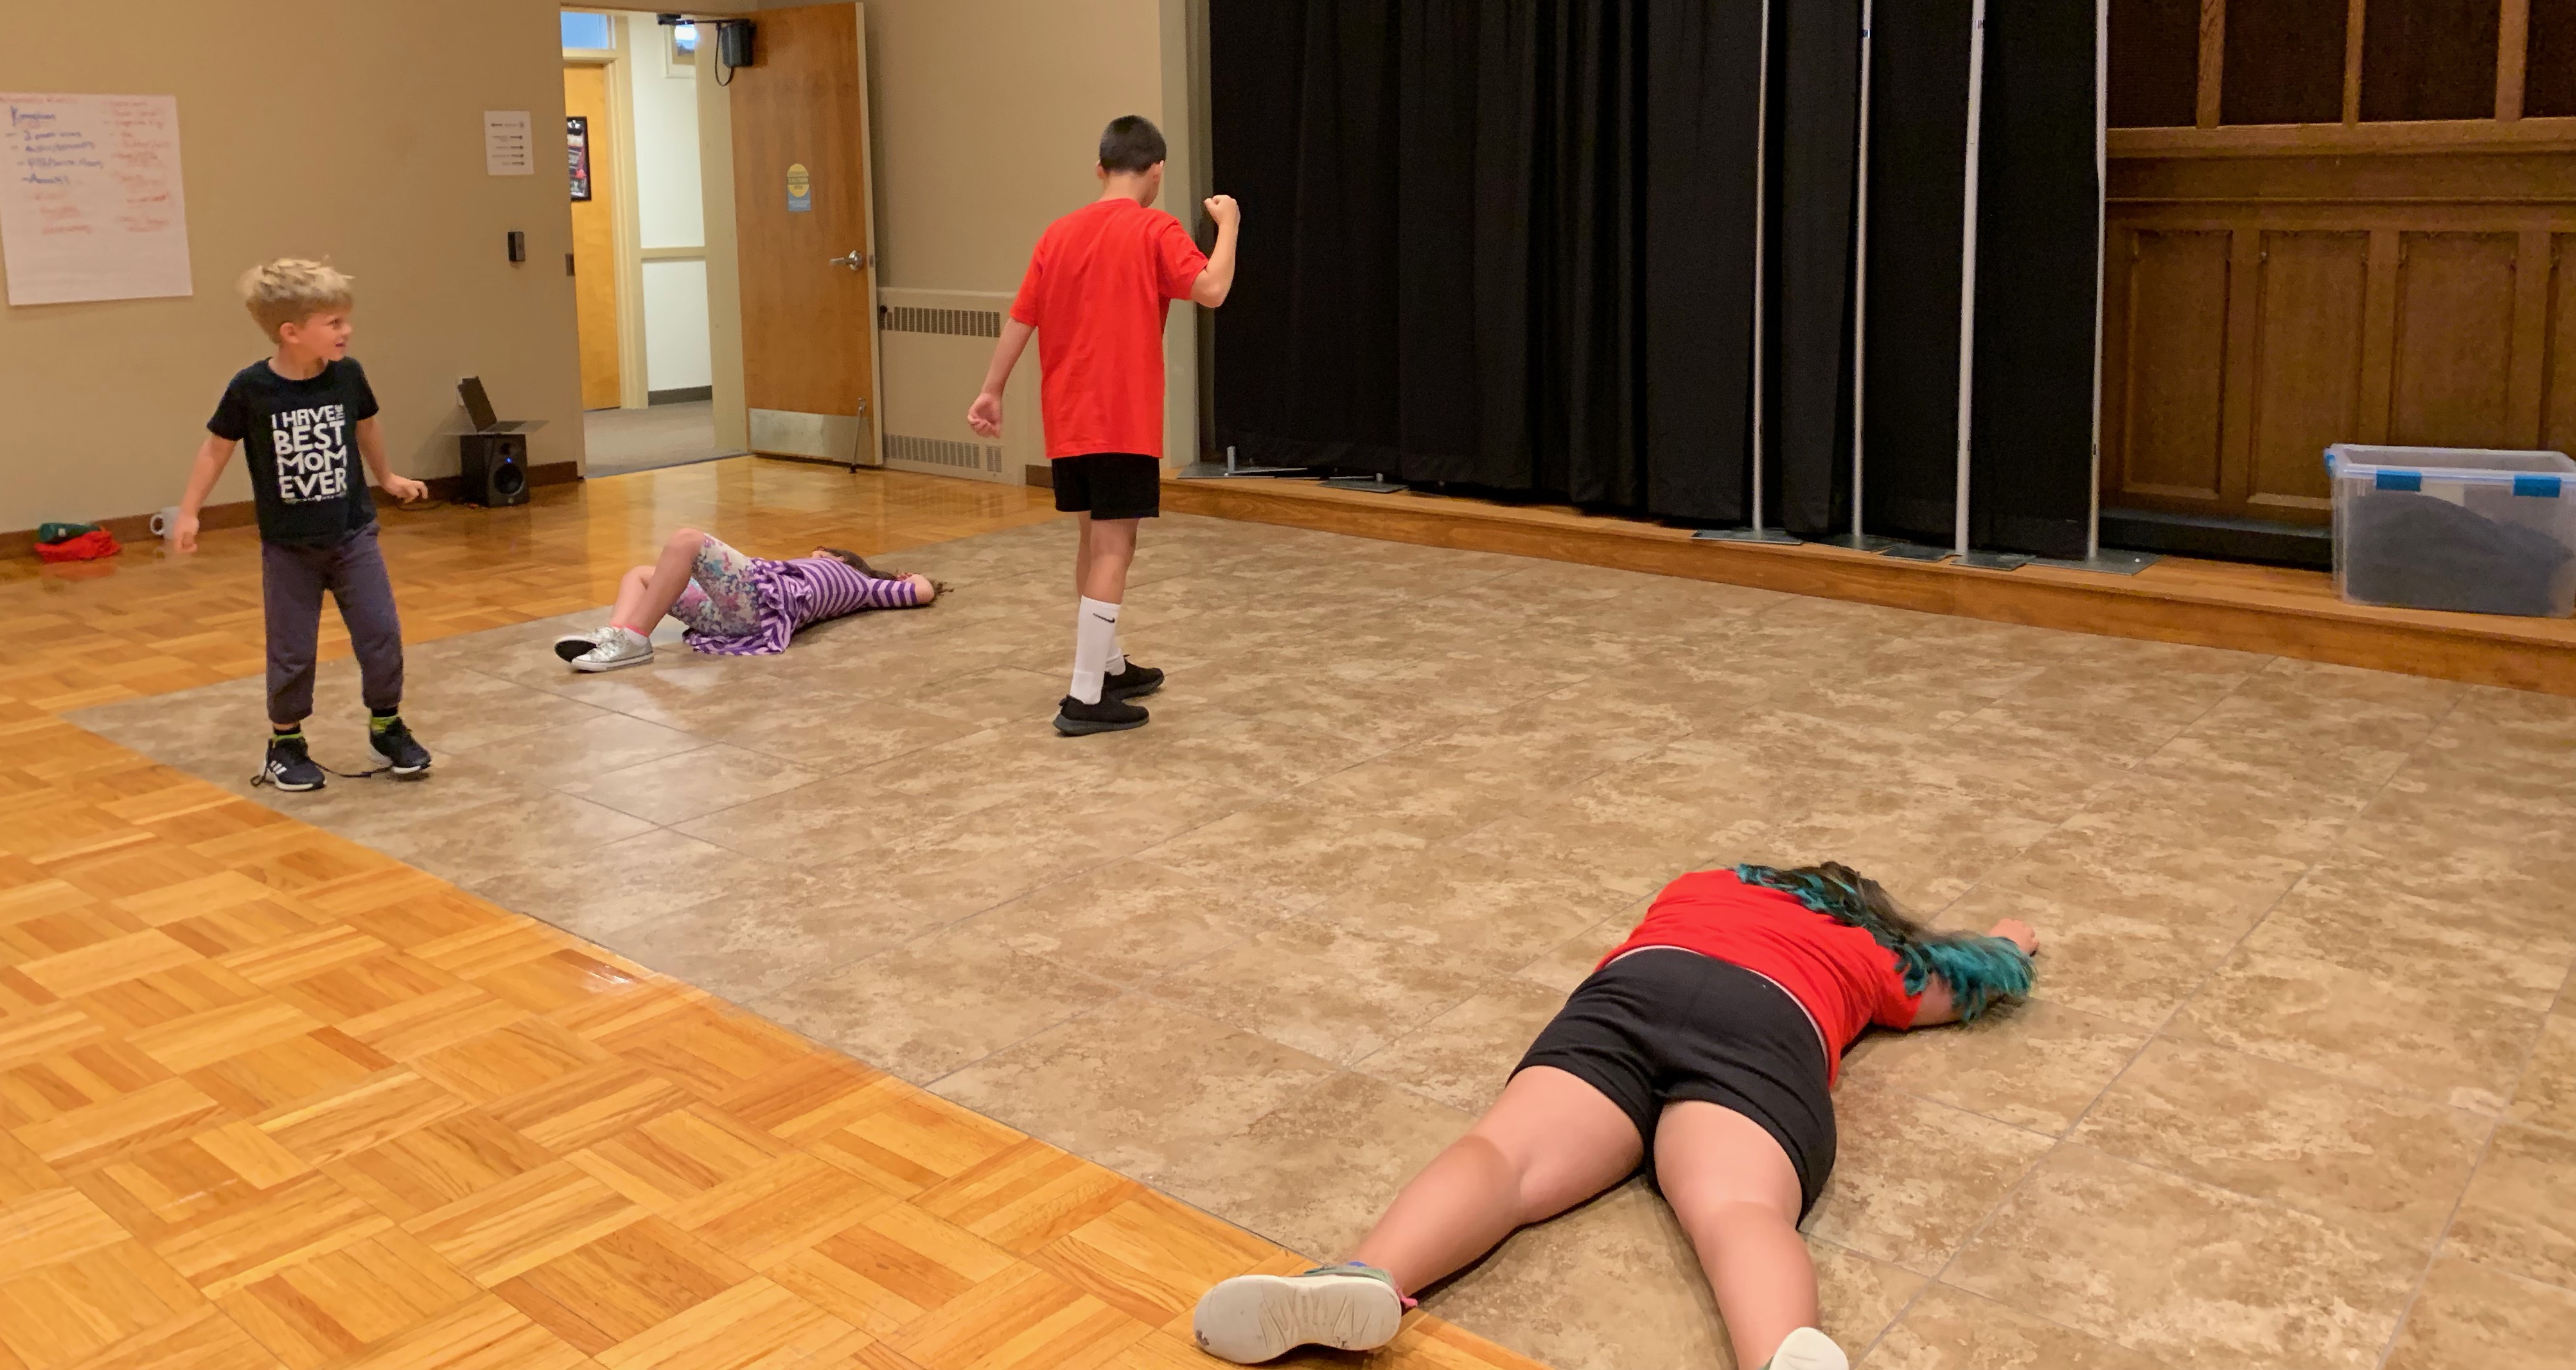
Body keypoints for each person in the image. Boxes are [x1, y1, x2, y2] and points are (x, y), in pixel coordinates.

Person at [1190, 862, 2041, 1370]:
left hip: (1639, 989)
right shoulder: (1873, 950)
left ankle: (1365, 1275)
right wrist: (2008, 940)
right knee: (1737, 1209)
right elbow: (1968, 985)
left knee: (1506, 1157)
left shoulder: (1703, 886)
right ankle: (1784, 1349)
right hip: (1767, 1018)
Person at [967, 114, 1239, 736]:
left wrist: (991, 390)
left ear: (1100, 168)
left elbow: (1022, 317)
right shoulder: (1156, 228)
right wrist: (1228, 226)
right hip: (1122, 417)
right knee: (1117, 548)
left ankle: (1108, 666)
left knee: (1093, 542)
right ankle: (1085, 695)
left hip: (1068, 418)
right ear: (1157, 170)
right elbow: (1212, 288)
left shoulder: (1058, 233)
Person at [173, 259, 432, 792]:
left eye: (345, 320)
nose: (347, 330)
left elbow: (367, 427)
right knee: (292, 650)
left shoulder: (348, 375)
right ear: (291, 332)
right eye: (333, 322)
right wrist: (190, 510)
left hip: (353, 535)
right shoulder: (252, 388)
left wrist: (386, 476)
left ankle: (386, 725)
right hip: (289, 547)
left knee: (381, 635)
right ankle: (285, 743)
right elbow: (216, 449)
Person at [561, 530, 937, 668]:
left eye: (821, 552)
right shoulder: (837, 581)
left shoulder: (864, 584)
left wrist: (911, 578)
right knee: (641, 574)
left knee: (688, 540)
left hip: (761, 606)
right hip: (732, 617)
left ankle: (635, 642)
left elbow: (921, 592)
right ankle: (616, 635)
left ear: (840, 559)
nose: (813, 554)